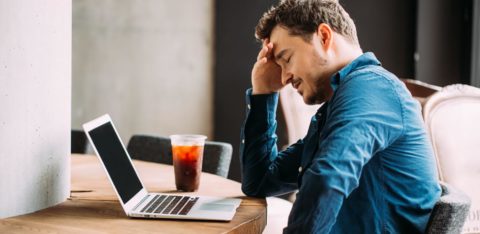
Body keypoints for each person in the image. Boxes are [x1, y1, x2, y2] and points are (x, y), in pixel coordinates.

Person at [239, 0, 441, 233]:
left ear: (324, 37)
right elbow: (260, 181)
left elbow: (328, 177)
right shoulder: (342, 104)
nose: (284, 77)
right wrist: (263, 93)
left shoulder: (372, 87)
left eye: (287, 58)